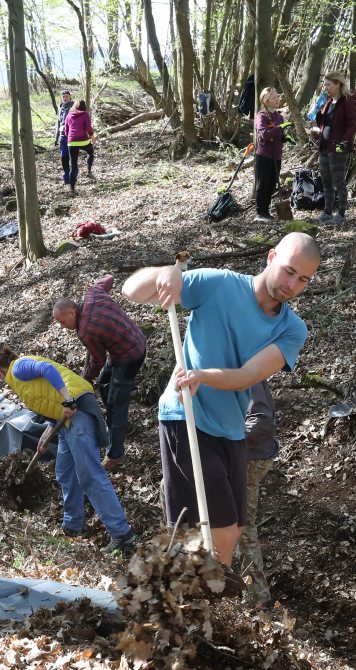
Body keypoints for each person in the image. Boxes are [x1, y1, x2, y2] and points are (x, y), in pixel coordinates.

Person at [122, 232, 320, 570]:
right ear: (271, 257)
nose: (292, 285)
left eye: (303, 280)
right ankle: (190, 591)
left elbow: (247, 375)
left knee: (233, 531)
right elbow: (132, 290)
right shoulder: (220, 285)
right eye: (289, 271)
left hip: (230, 428)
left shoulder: (292, 329)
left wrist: (203, 376)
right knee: (215, 532)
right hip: (187, 415)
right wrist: (166, 273)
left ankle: (205, 592)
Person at [0, 347, 137, 553]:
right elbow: (49, 401)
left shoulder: (18, 367)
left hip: (78, 415)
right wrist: (46, 435)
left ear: (1, 372)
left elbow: (47, 369)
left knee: (90, 474)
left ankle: (122, 534)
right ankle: (73, 526)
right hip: (65, 424)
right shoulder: (21, 381)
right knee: (65, 472)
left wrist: (68, 399)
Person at [52, 274, 147, 470]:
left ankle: (115, 454)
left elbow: (98, 361)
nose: (63, 327)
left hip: (130, 355)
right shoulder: (93, 292)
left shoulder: (86, 331)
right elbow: (108, 279)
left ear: (72, 313)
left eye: (63, 322)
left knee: (116, 404)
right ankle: (118, 420)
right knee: (103, 382)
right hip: (129, 341)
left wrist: (84, 380)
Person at [236, 381, 278, 607]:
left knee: (242, 526)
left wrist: (226, 437)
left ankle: (257, 598)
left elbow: (261, 420)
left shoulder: (247, 373)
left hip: (248, 459)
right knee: (239, 525)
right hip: (244, 456)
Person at [310, 71, 356, 225]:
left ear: (338, 84)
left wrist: (344, 142)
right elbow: (322, 123)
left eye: (328, 85)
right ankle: (327, 211)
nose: (326, 88)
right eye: (325, 85)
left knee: (338, 181)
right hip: (324, 147)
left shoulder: (347, 102)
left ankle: (341, 213)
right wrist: (317, 111)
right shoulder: (328, 101)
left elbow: (352, 124)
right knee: (326, 181)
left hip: (338, 149)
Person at [254, 87, 286, 223]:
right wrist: (280, 128)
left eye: (277, 97)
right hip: (264, 155)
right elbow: (264, 134)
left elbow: (280, 135)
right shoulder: (261, 116)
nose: (277, 99)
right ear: (266, 100)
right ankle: (260, 213)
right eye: (274, 98)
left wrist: (285, 137)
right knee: (263, 184)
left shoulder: (279, 116)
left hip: (277, 155)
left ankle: (266, 212)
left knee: (272, 184)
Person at [64, 99, 94, 193]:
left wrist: (71, 138)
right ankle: (89, 171)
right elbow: (89, 128)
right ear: (84, 106)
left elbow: (66, 131)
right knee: (91, 152)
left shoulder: (69, 115)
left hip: (71, 142)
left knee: (73, 166)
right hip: (83, 140)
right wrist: (92, 137)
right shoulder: (85, 114)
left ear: (75, 106)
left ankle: (72, 189)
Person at [55, 89, 73, 187]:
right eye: (63, 97)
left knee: (72, 157)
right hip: (62, 136)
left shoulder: (74, 107)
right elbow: (58, 123)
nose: (65, 98)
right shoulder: (60, 108)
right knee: (64, 157)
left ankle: (73, 177)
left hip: (72, 136)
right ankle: (66, 178)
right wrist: (56, 137)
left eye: (66, 96)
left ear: (70, 97)